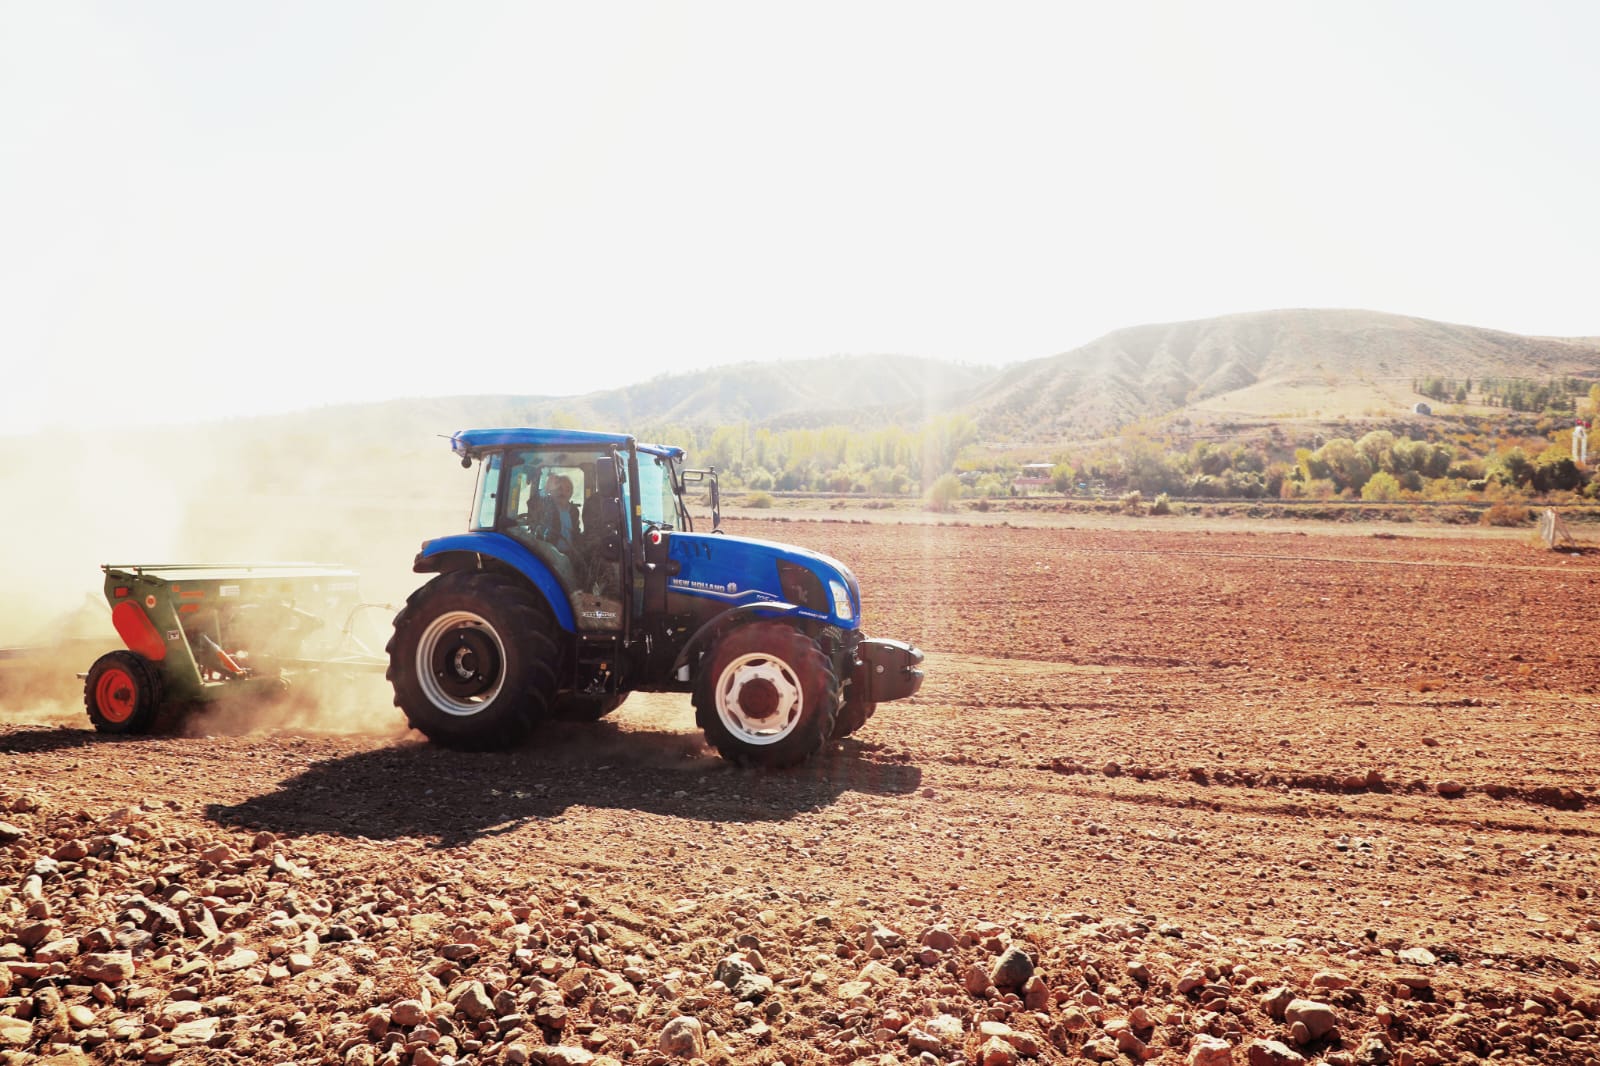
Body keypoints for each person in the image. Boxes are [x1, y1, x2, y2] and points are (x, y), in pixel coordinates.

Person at [532, 474, 581, 554]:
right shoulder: (546, 506)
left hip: (570, 554)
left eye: (567, 490)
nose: (563, 493)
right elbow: (533, 503)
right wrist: (546, 489)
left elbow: (576, 532)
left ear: (571, 493)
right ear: (552, 491)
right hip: (548, 554)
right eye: (559, 489)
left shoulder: (574, 511)